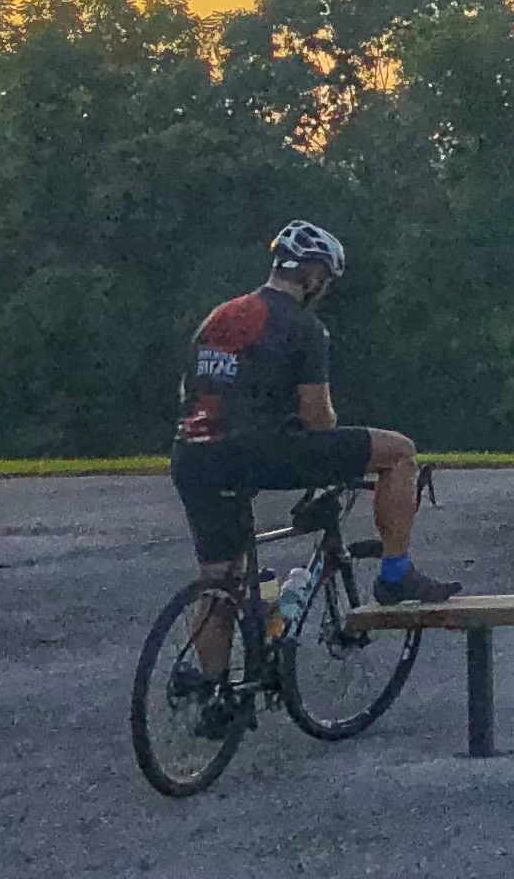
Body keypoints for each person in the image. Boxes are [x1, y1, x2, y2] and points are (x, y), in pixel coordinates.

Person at [165, 221, 450, 706]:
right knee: (399, 451)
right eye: (327, 280)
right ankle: (395, 573)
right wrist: (332, 456)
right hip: (259, 450)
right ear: (315, 276)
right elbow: (317, 418)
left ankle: (216, 695)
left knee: (220, 576)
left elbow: (191, 391)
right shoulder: (303, 327)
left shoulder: (219, 317)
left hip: (193, 453)